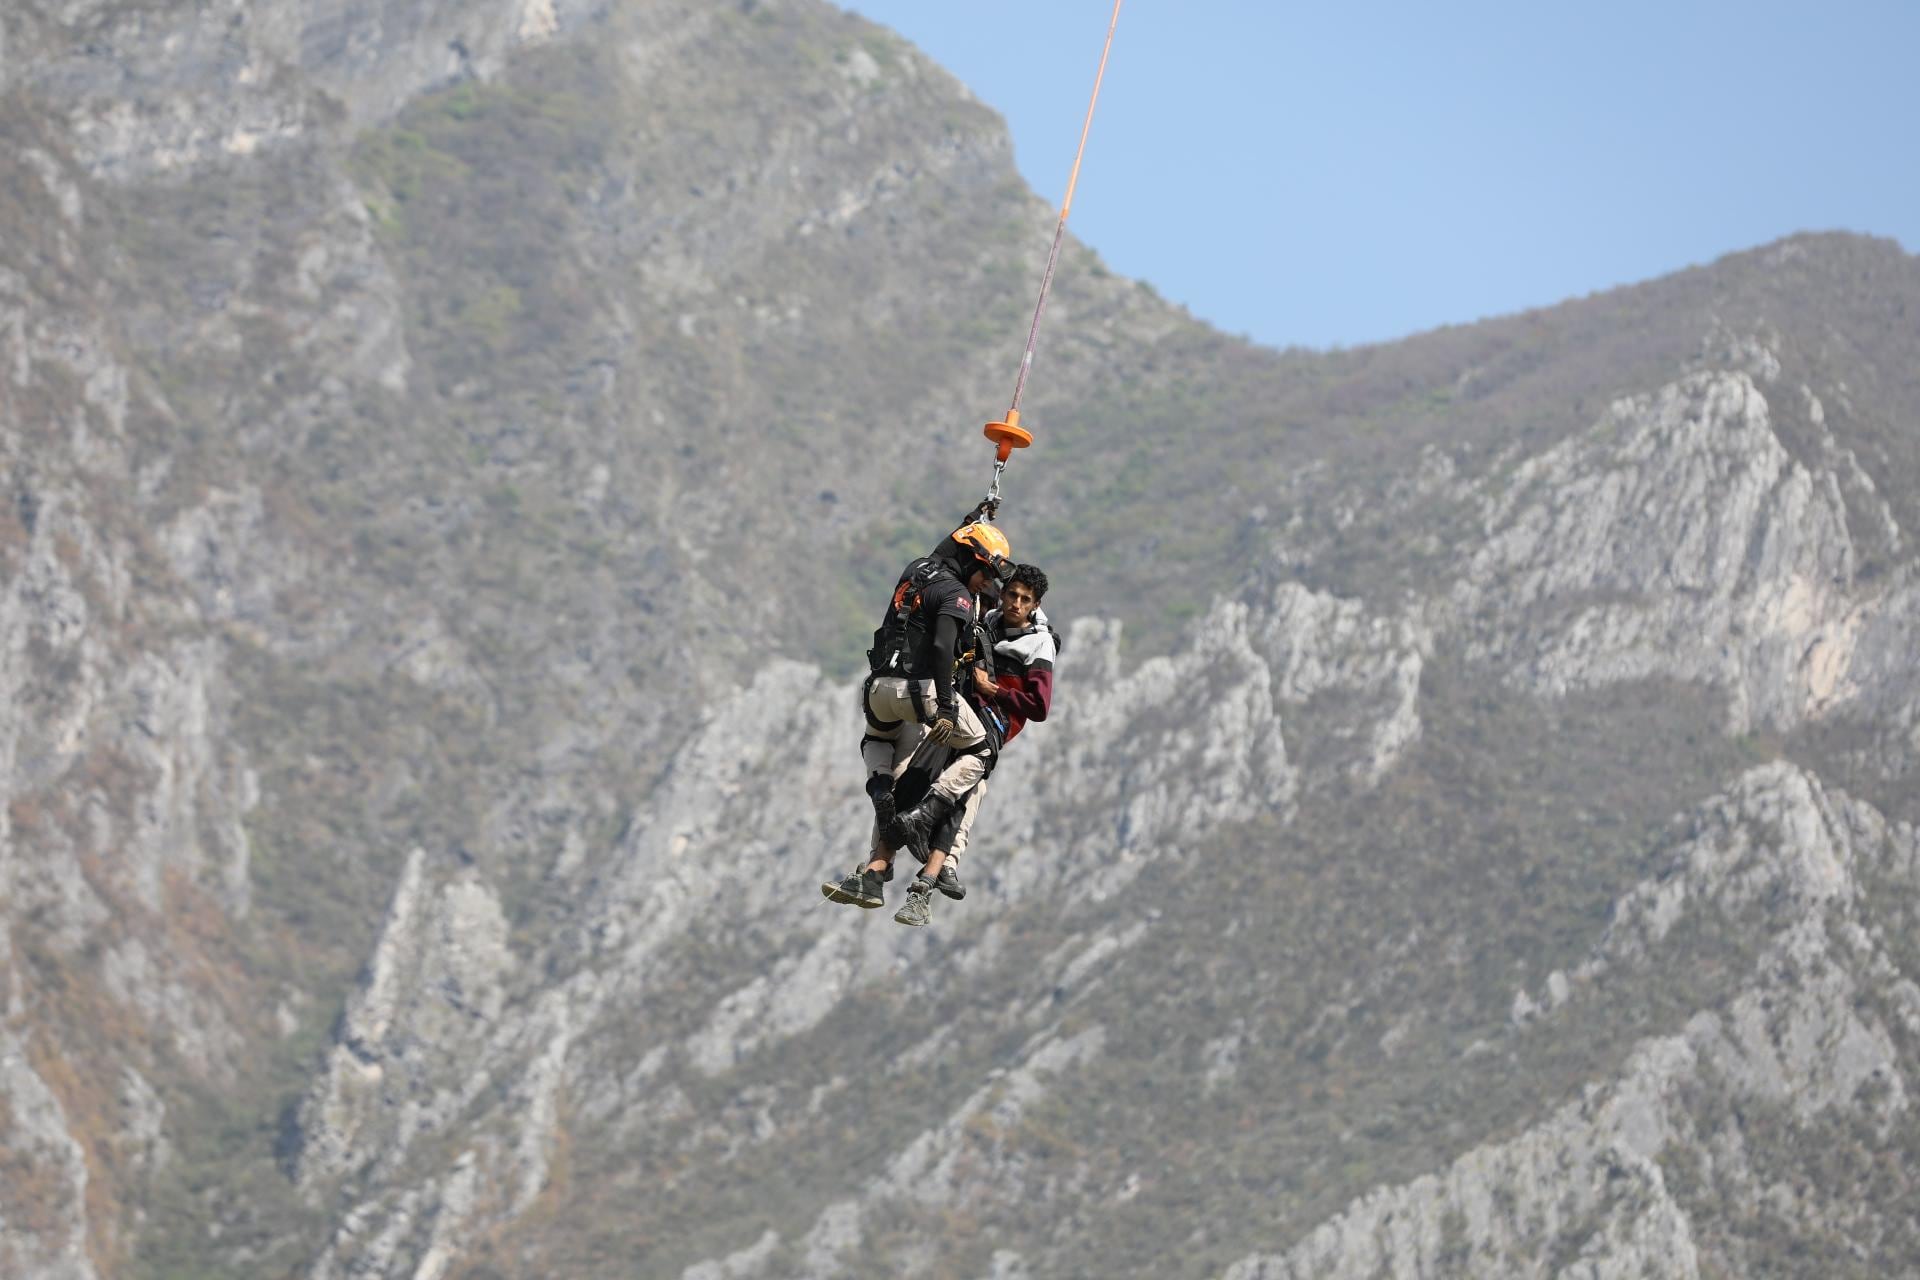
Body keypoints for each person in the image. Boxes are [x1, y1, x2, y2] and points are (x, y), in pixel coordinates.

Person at [821, 520, 1013, 911]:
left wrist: (979, 516)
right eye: (984, 572)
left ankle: (879, 803)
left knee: (877, 742)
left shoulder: (917, 569)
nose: (986, 583)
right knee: (981, 750)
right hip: (921, 692)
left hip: (878, 689)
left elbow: (948, 545)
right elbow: (943, 647)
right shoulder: (958, 595)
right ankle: (925, 815)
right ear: (969, 560)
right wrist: (946, 704)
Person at [889, 564, 1056, 927]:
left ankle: (925, 881)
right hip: (964, 710)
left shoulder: (1040, 643)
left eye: (1025, 600)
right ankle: (891, 866)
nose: (1016, 603)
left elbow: (1040, 707)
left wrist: (993, 690)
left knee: (964, 789)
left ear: (1035, 605)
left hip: (995, 722)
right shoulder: (991, 620)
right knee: (926, 778)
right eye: (1012, 595)